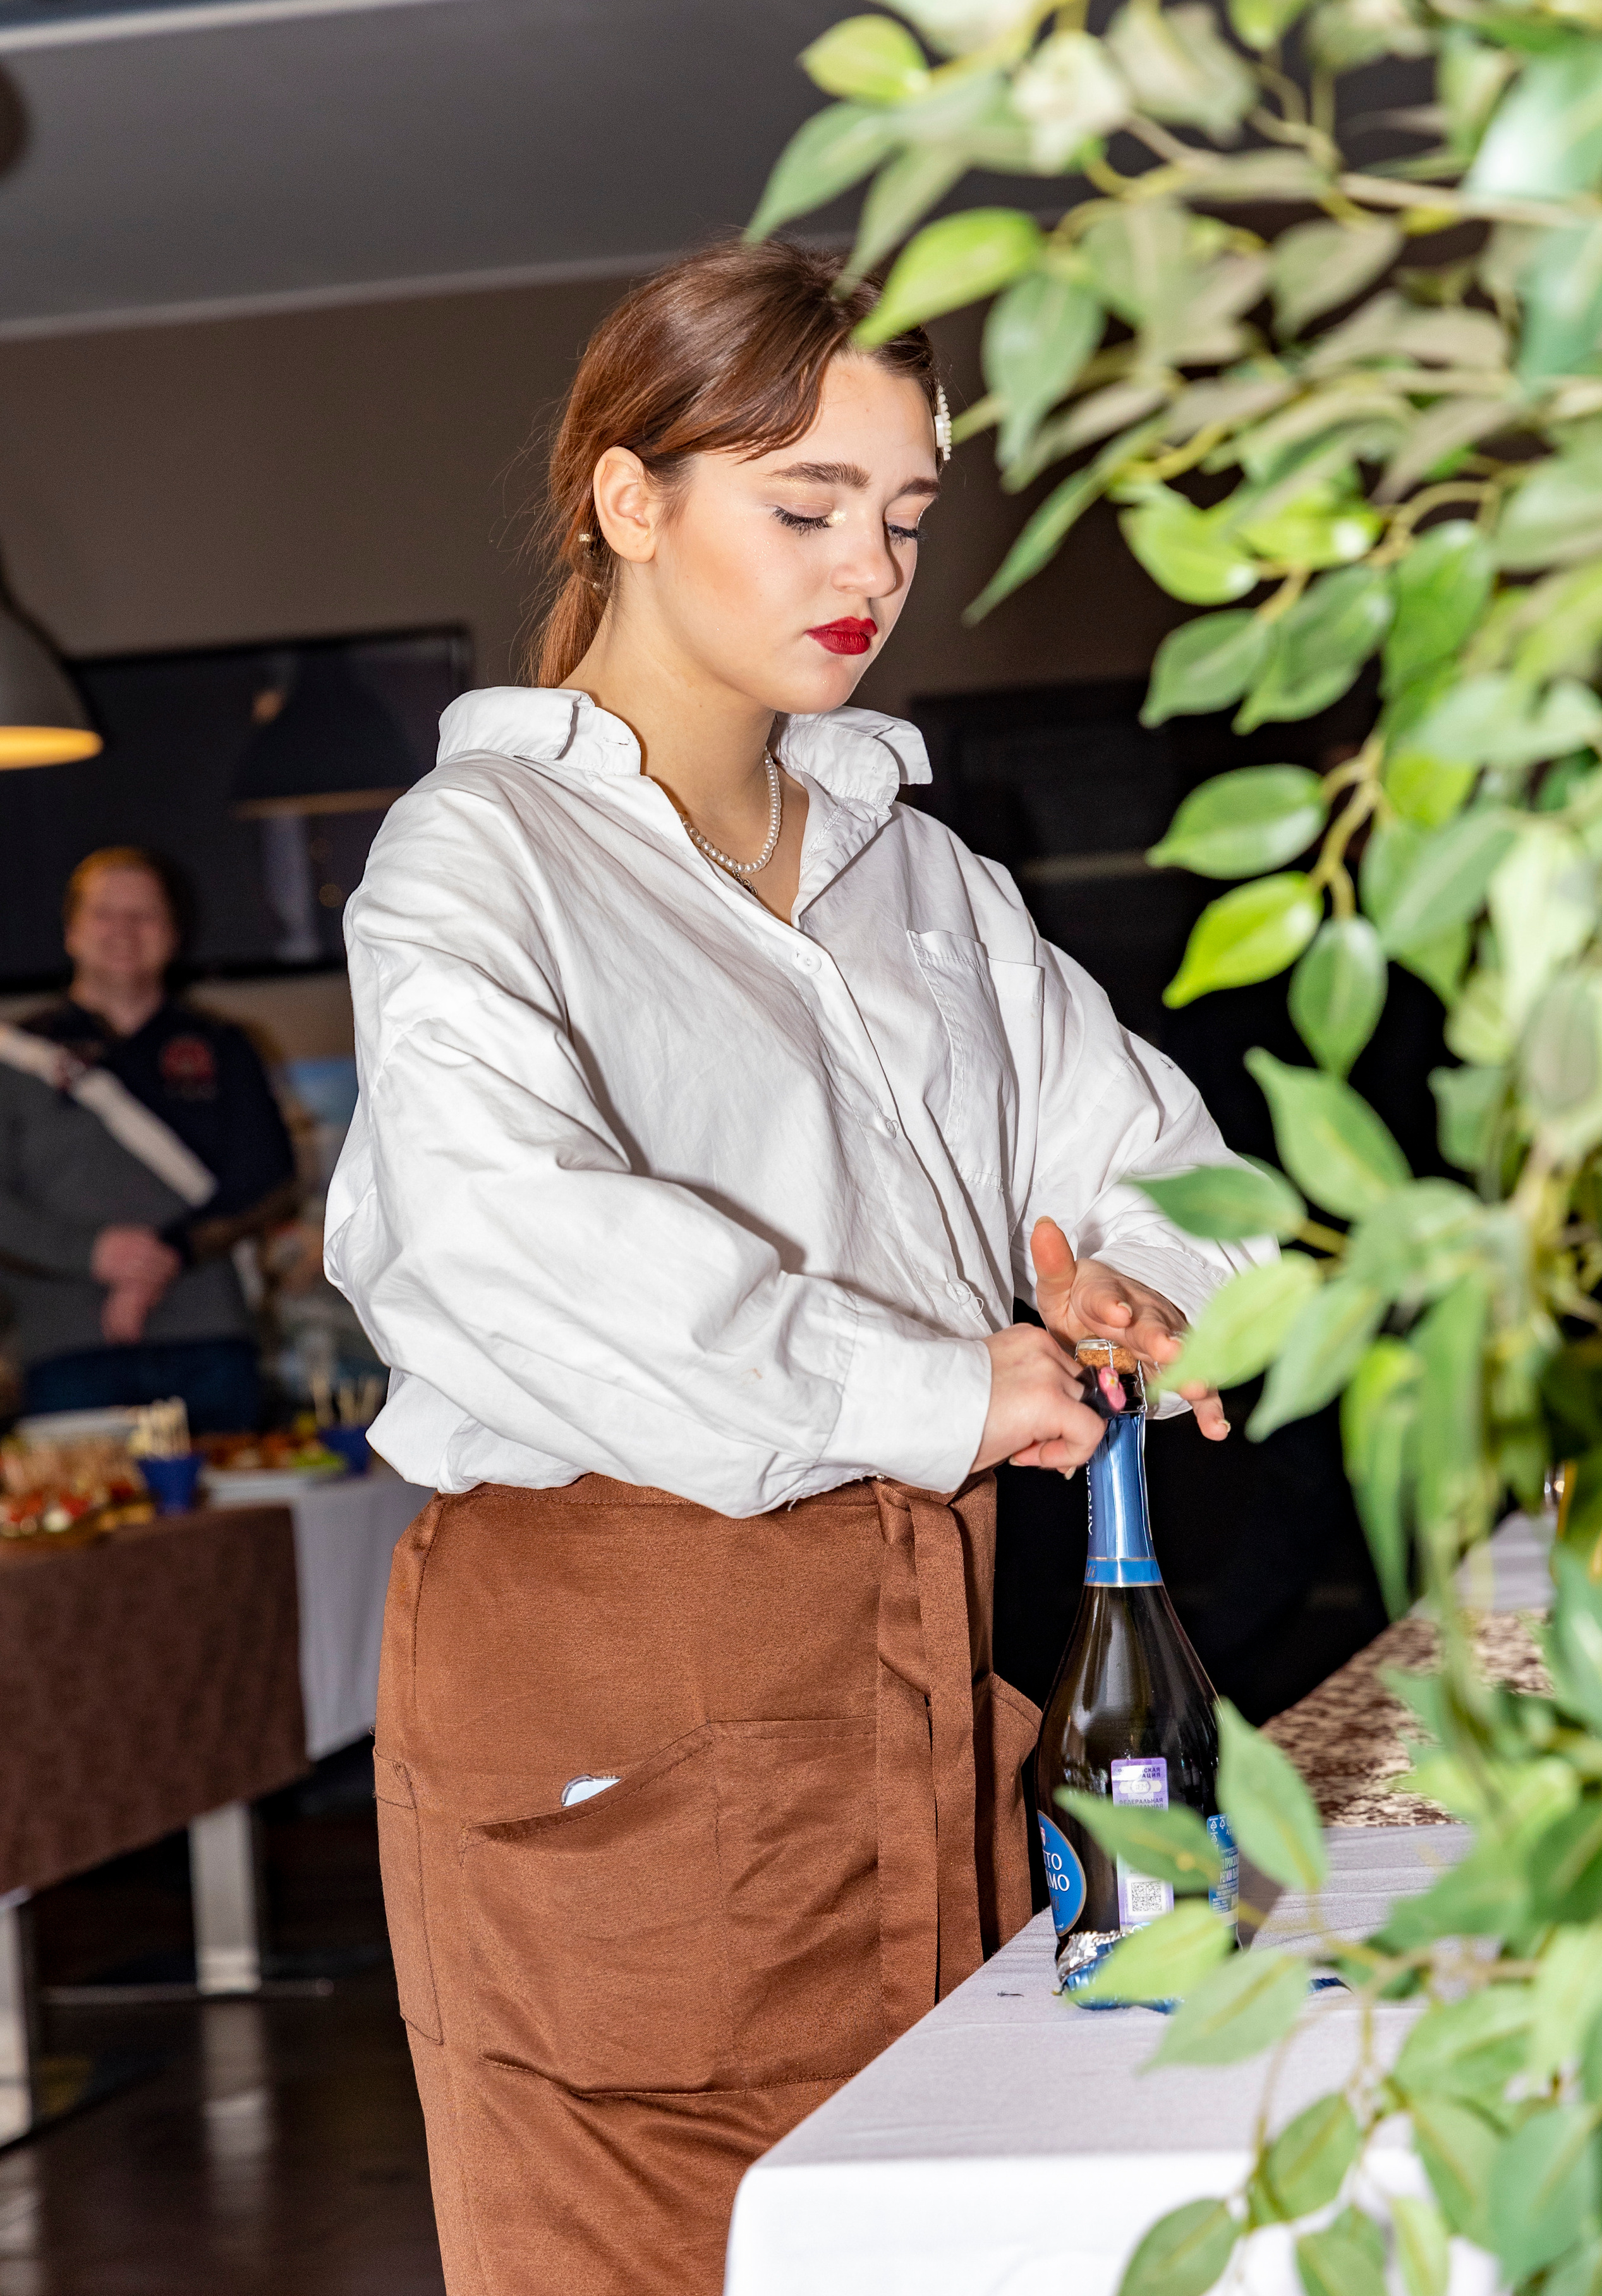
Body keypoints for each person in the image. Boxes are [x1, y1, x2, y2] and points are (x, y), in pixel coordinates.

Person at [327, 239, 1251, 2296]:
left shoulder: (914, 864)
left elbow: (1153, 1150)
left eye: (906, 515)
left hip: (921, 1630)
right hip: (617, 1640)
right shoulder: (478, 855)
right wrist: (947, 1390)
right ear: (630, 500)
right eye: (805, 502)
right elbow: (501, 1243)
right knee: (666, 2255)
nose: (871, 565)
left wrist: (1134, 1285)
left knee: (936, 2223)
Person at [0, 846, 298, 1429]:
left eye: (145, 915)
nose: (125, 931)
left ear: (173, 933)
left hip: (210, 1340)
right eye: (106, 913)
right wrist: (92, 1254)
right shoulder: (17, 1057)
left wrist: (167, 1255)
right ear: (72, 931)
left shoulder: (224, 1045)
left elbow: (270, 1180)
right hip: (65, 1348)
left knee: (230, 1524)